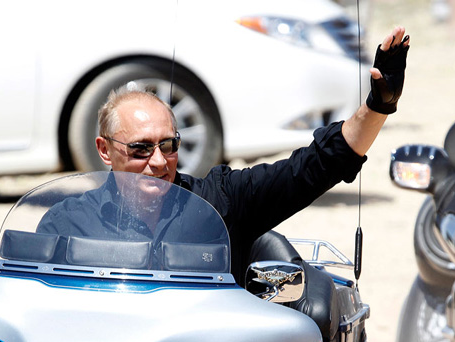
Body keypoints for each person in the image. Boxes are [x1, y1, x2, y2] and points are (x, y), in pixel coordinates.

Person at [40, 26, 410, 284]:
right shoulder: (65, 226)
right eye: (140, 149)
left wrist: (378, 106)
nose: (157, 162)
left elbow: (315, 166)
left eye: (168, 145)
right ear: (105, 150)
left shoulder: (221, 201)